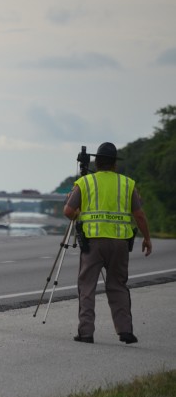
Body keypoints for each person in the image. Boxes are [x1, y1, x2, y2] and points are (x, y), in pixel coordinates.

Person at [63, 142, 152, 344]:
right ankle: (125, 330)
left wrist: (80, 216)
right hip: (120, 243)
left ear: (96, 162)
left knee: (87, 286)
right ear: (114, 164)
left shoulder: (85, 183)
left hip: (93, 242)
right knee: (118, 285)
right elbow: (139, 215)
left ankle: (86, 332)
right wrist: (146, 238)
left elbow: (68, 211)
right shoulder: (127, 184)